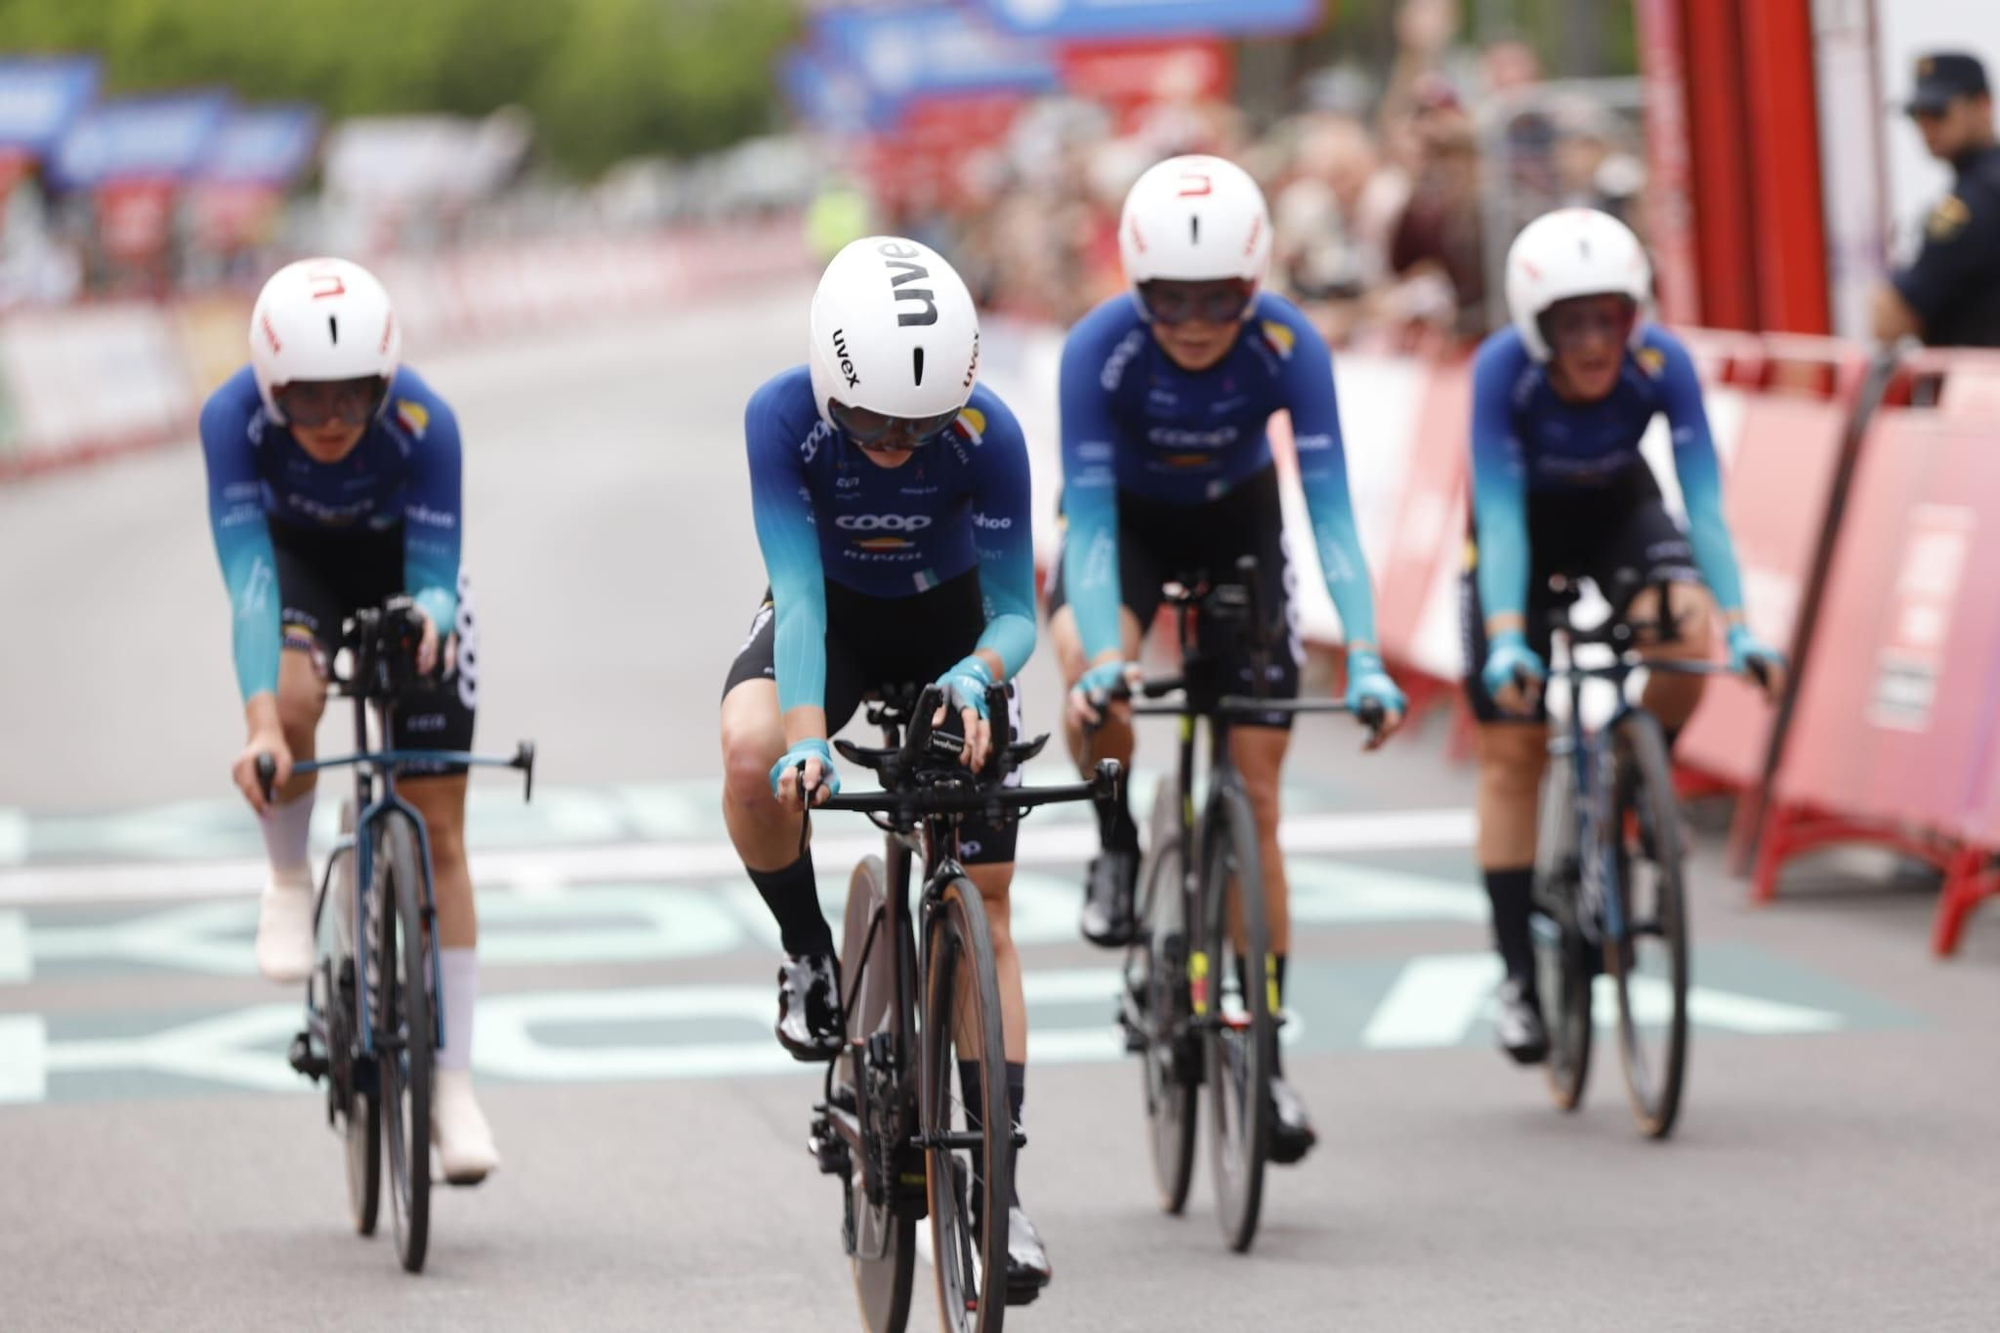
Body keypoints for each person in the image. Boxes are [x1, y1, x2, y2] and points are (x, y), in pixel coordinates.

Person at [1046, 154, 1407, 1164]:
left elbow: (1327, 513)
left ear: (1253, 286)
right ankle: (1116, 837)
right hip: (1122, 526)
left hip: (1239, 524)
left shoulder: (1290, 346)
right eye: (1170, 299)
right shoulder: (1099, 351)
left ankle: (1269, 1055)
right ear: (1134, 285)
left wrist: (1368, 657)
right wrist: (1103, 662)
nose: (1196, 322)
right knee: (1090, 667)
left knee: (1258, 792)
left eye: (1219, 301)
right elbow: (1084, 532)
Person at [717, 236, 1051, 1296]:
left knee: (987, 901)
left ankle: (998, 1185)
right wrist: (809, 734)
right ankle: (810, 949)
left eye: (923, 423)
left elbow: (1014, 612)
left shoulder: (988, 429)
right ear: (828, 384)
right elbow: (800, 595)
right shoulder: (779, 417)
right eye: (872, 423)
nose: (901, 447)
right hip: (838, 619)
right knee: (749, 748)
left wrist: (977, 675)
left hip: (955, 631)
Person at [201, 258, 497, 1182]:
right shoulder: (231, 421)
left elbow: (440, 577)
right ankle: (288, 878)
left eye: (351, 399)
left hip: (404, 576)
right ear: (267, 387)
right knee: (291, 701)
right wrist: (261, 728)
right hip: (296, 574)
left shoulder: (425, 422)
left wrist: (429, 622)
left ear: (385, 381)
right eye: (306, 403)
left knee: (440, 825)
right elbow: (251, 586)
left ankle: (452, 1085)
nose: (330, 423)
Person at [1467, 208, 1787, 1062]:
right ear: (1537, 328)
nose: (1593, 341)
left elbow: (1703, 502)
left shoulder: (1661, 362)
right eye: (1570, 324)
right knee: (1513, 749)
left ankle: (1636, 783)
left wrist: (1742, 625)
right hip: (1522, 529)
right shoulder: (1501, 373)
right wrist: (1507, 637)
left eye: (1607, 318)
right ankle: (1517, 977)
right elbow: (1497, 519)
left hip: (1616, 507)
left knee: (1682, 626)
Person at [1874, 52, 2000, 347]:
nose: (1925, 126)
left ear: (1982, 105)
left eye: (1938, 111)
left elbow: (1888, 319)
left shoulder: (1972, 203)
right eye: (1917, 115)